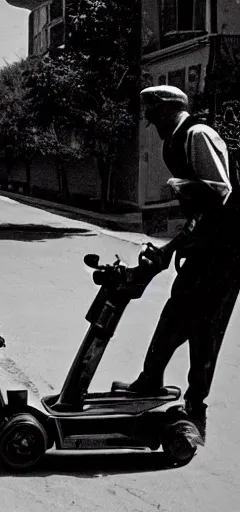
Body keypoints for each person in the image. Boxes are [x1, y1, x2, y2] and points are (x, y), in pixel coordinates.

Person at [112, 85, 240, 441]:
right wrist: (177, 243)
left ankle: (196, 411)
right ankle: (150, 378)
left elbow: (219, 193)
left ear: (168, 107)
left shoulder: (198, 135)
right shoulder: (174, 141)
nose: (148, 118)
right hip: (207, 244)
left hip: (229, 250)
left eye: (151, 110)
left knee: (205, 327)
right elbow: (199, 209)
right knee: (177, 312)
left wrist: (179, 187)